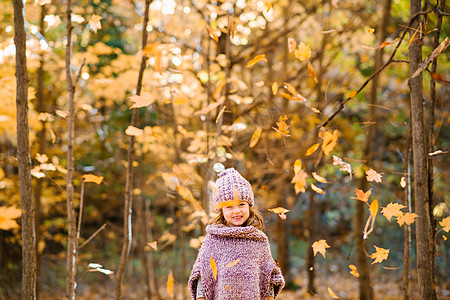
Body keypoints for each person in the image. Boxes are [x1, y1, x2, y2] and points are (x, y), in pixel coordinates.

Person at [188, 168, 285, 299]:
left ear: (249, 205)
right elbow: (201, 277)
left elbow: (269, 278)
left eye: (241, 204)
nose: (237, 211)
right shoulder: (212, 240)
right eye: (229, 206)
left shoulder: (258, 240)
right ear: (221, 210)